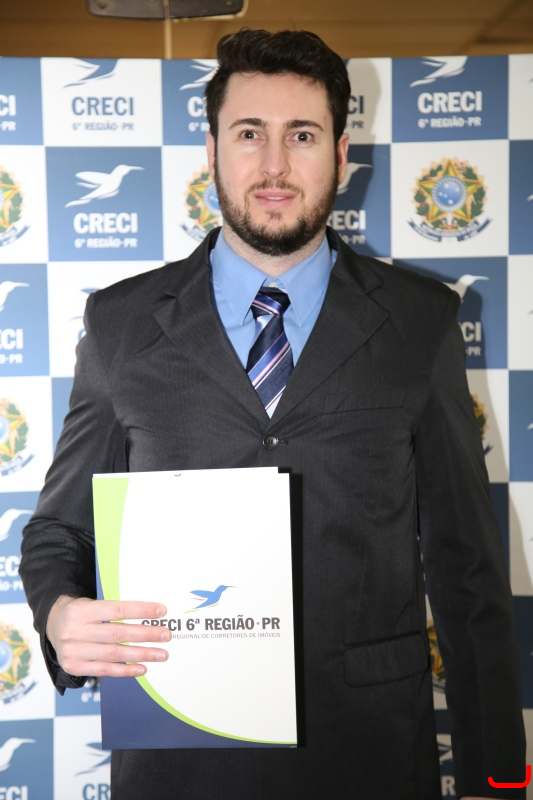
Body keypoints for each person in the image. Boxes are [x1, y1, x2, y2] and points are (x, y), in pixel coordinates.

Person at [20, 28, 525, 800]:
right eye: (249, 134)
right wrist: (59, 615)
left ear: (342, 154)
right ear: (212, 151)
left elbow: (465, 564)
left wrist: (497, 778)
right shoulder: (120, 322)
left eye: (303, 135)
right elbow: (60, 528)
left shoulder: (419, 320)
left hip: (368, 756)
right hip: (178, 756)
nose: (275, 166)